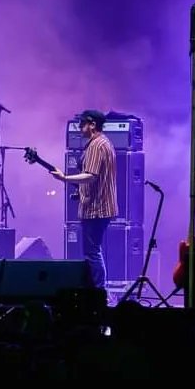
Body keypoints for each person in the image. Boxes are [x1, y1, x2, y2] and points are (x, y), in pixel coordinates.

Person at [48, 109, 117, 289]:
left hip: (97, 208)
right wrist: (80, 191)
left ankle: (99, 292)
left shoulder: (96, 145)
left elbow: (90, 175)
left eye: (82, 124)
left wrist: (64, 178)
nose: (79, 128)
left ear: (92, 124)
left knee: (92, 252)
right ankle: (95, 290)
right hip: (99, 207)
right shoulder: (103, 143)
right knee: (92, 251)